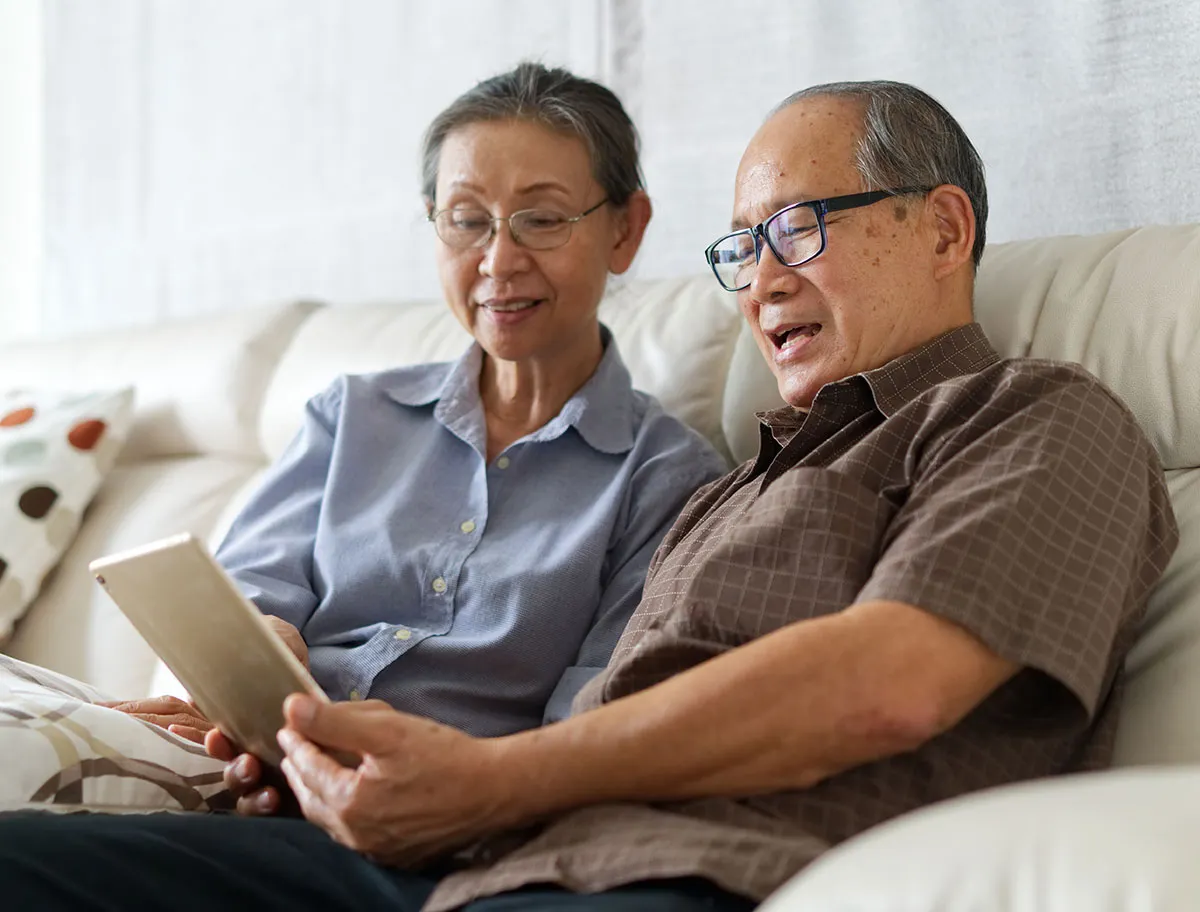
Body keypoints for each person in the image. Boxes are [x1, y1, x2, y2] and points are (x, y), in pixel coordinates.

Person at [0, 80, 1178, 912]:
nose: (761, 282)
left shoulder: (1036, 416)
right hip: (477, 867)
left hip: (677, 874)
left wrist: (485, 781)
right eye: (742, 250)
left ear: (944, 228)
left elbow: (891, 685)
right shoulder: (741, 485)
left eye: (798, 230)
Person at [95, 61, 723, 760]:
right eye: (467, 221)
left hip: (441, 804)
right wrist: (254, 657)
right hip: (261, 760)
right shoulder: (351, 415)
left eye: (542, 219)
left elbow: (585, 730)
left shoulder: (667, 479)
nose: (498, 261)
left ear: (625, 230)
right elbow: (247, 590)